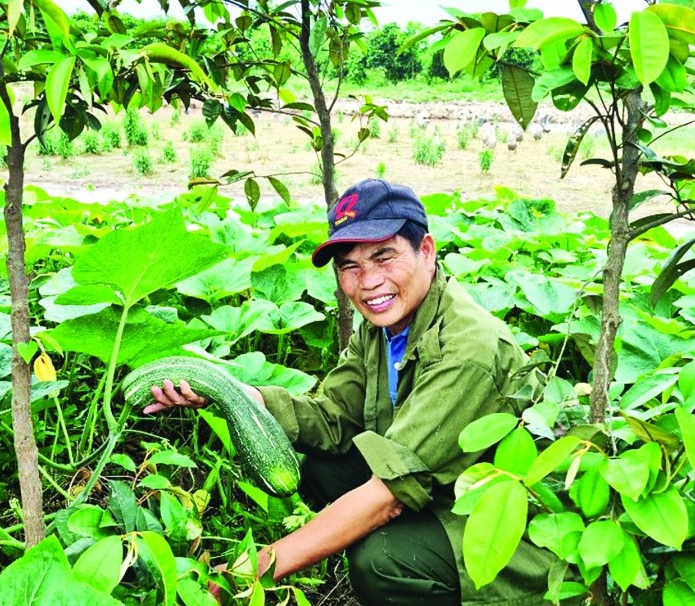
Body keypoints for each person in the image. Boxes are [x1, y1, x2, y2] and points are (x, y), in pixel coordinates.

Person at [143, 179, 555, 605]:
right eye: (349, 266)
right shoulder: (385, 326)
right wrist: (236, 395)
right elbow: (333, 417)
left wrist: (252, 570)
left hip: (511, 529)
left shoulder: (469, 348)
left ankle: (424, 572)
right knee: (321, 465)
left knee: (380, 560)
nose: (368, 281)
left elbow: (388, 496)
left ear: (426, 251)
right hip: (444, 485)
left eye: (384, 256)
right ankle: (410, 548)